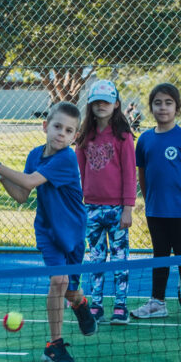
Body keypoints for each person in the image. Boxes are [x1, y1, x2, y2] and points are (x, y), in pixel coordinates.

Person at [0, 102, 97, 362]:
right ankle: (54, 346)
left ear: (74, 136)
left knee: (70, 291)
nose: (61, 134)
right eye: (57, 127)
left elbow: (29, 182)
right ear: (45, 126)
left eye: (69, 130)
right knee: (58, 281)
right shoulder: (34, 155)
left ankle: (80, 304)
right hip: (47, 231)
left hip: (73, 232)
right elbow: (22, 195)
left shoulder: (66, 158)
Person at [131, 83, 181, 323]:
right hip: (156, 211)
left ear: (177, 108)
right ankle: (157, 302)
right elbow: (142, 174)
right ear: (151, 108)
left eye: (168, 103)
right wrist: (148, 199)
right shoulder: (144, 140)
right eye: (158, 103)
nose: (163, 107)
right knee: (160, 255)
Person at [75, 80, 136, 326]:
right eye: (96, 102)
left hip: (117, 209)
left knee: (120, 259)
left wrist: (128, 208)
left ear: (116, 105)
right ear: (90, 105)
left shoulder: (123, 136)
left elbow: (130, 174)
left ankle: (121, 305)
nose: (101, 106)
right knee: (95, 259)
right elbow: (78, 172)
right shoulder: (84, 137)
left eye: (106, 102)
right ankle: (96, 305)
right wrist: (77, 203)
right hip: (90, 208)